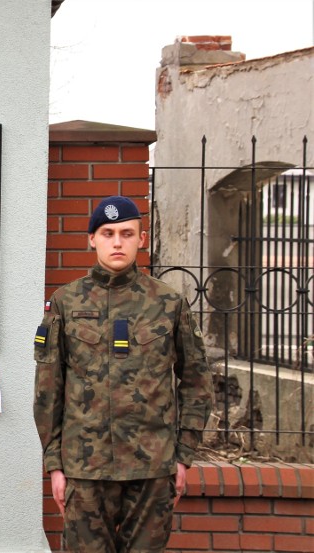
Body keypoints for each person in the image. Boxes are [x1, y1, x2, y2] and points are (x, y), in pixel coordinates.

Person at [33, 196, 213, 552]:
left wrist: (183, 457)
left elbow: (197, 382)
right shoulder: (66, 303)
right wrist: (55, 465)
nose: (117, 242)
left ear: (141, 239)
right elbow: (48, 390)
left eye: (127, 233)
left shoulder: (169, 303)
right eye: (108, 233)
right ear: (92, 239)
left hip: (152, 468)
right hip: (85, 469)